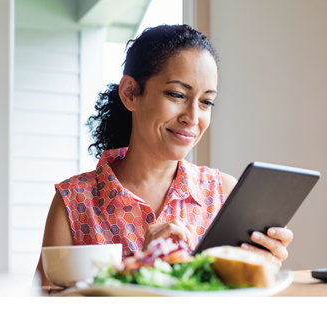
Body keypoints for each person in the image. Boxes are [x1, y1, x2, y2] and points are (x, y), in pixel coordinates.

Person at [34, 24, 293, 286]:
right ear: (130, 93)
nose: (193, 118)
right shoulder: (74, 202)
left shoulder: (225, 193)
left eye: (206, 102)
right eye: (177, 94)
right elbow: (42, 304)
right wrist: (146, 265)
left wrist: (263, 266)